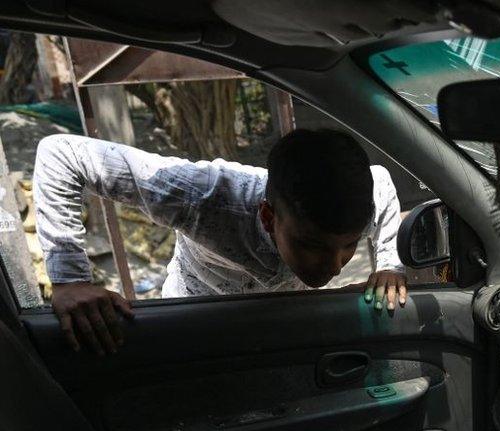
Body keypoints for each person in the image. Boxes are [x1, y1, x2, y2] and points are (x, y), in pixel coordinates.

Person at [33, 128, 407, 356]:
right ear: (267, 216)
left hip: (283, 327)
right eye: (312, 245)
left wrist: (388, 263)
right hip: (195, 325)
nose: (334, 266)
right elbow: (62, 154)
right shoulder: (204, 197)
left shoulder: (365, 198)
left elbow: (384, 184)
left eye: (349, 245)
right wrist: (71, 278)